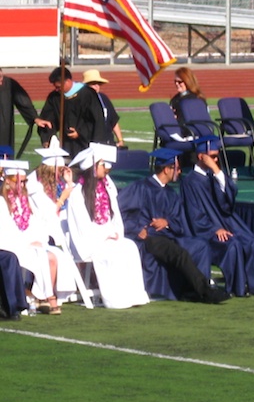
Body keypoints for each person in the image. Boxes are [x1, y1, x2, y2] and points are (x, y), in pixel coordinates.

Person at [117, 148, 229, 304]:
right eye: (176, 168)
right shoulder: (140, 188)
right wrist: (137, 229)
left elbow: (179, 221)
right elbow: (117, 212)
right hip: (150, 238)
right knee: (179, 254)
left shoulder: (171, 193)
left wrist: (167, 222)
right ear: (166, 169)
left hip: (169, 235)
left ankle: (192, 290)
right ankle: (205, 291)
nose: (179, 171)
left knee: (200, 246)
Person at [65, 144, 150, 309]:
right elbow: (82, 227)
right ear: (93, 168)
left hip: (107, 236)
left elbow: (114, 217)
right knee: (113, 252)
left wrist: (115, 232)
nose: (107, 168)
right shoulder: (77, 194)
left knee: (130, 246)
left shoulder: (105, 189)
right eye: (102, 164)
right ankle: (116, 298)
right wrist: (106, 234)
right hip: (89, 242)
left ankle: (134, 295)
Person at [180, 136, 254, 297]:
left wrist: (217, 171)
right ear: (201, 156)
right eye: (212, 156)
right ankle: (237, 288)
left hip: (225, 222)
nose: (215, 159)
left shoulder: (215, 175)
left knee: (250, 240)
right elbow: (194, 215)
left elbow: (228, 201)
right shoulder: (190, 182)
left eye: (216, 156)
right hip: (206, 229)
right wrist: (214, 229)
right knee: (232, 245)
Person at [0, 159, 81, 314]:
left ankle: (39, 296)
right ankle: (46, 297)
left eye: (24, 181)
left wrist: (38, 240)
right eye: (19, 181)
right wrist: (26, 242)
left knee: (54, 256)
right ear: (8, 182)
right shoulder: (2, 203)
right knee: (44, 257)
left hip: (28, 243)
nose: (23, 185)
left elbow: (35, 224)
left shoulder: (25, 201)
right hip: (11, 246)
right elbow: (6, 232)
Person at [38, 66, 106, 156]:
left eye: (58, 86)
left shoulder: (87, 94)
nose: (57, 89)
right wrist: (47, 138)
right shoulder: (54, 97)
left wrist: (80, 133)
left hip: (85, 145)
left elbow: (97, 120)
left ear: (67, 81)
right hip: (64, 146)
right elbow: (47, 120)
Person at [0, 67, 51, 152]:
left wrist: (35, 117)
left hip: (4, 133)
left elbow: (23, 101)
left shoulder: (9, 84)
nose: (1, 83)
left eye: (1, 78)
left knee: (5, 158)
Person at [82, 69, 126, 147]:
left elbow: (113, 121)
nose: (96, 86)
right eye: (92, 84)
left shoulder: (104, 98)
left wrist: (120, 140)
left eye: (98, 84)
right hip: (90, 143)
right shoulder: (82, 101)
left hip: (108, 142)